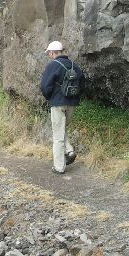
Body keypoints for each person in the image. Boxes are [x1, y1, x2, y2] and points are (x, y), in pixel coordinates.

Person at [39, 41, 85, 174]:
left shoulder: (53, 65)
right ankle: (69, 151)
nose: (49, 55)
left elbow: (44, 86)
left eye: (49, 53)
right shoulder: (73, 65)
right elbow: (82, 83)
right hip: (72, 103)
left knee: (58, 136)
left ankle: (59, 167)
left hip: (58, 103)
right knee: (61, 129)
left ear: (53, 52)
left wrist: (50, 97)